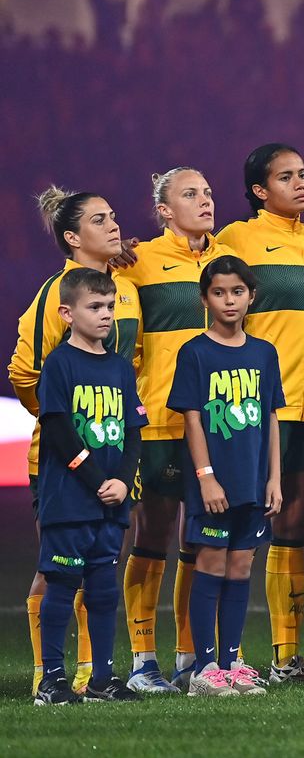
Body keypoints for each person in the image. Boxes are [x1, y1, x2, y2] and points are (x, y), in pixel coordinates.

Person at [9, 187, 141, 696]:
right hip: (67, 468)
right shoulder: (53, 299)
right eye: (101, 219)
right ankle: (51, 676)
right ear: (72, 236)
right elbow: (26, 371)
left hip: (112, 466)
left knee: (102, 577)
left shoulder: (122, 286)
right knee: (58, 572)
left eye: (114, 216)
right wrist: (65, 425)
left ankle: (97, 675)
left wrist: (121, 471)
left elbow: (134, 372)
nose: (114, 226)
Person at [215, 143, 304, 682]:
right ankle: (228, 656)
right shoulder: (240, 239)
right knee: (245, 528)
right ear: (260, 190)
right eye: (286, 177)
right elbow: (206, 277)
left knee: (294, 526)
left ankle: (291, 657)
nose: (301, 184)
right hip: (266, 407)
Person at [119, 168, 236, 693]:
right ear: (163, 210)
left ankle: (192, 656)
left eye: (208, 192)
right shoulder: (138, 261)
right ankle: (144, 661)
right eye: (190, 194)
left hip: (219, 425)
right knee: (152, 538)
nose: (205, 200)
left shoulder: (229, 256)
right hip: (162, 423)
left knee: (201, 540)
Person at [168, 256, 284, 696]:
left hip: (253, 481)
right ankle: (204, 668)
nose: (229, 300)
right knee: (211, 565)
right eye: (219, 292)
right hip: (214, 483)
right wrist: (206, 477)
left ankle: (232, 661)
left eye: (237, 292)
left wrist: (274, 479)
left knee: (240, 568)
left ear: (251, 296)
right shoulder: (195, 352)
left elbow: (271, 418)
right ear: (204, 298)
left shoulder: (264, 352)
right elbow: (193, 420)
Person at [33, 268, 145, 704]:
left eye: (110, 307)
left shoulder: (119, 366)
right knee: (61, 583)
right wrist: (100, 481)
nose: (105, 315)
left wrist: (123, 482)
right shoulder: (59, 364)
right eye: (94, 307)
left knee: (102, 589)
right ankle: (53, 680)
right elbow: (60, 431)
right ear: (67, 313)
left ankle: (101, 679)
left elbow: (133, 431)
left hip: (111, 502)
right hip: (71, 499)